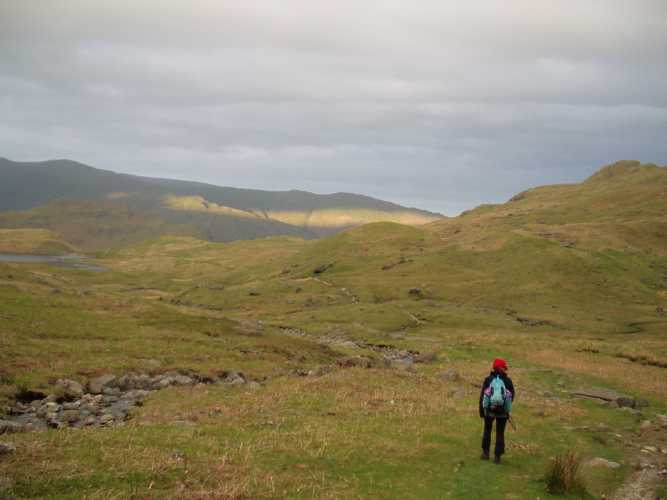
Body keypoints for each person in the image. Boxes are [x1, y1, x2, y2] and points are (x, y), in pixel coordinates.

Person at [479, 358, 515, 464]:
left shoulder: (488, 380)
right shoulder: (508, 381)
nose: (505, 369)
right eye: (504, 367)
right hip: (503, 413)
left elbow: (483, 396)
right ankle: (497, 457)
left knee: (487, 430)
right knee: (500, 433)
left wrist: (482, 410)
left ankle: (485, 453)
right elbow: (512, 396)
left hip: (489, 410)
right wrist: (505, 408)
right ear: (501, 368)